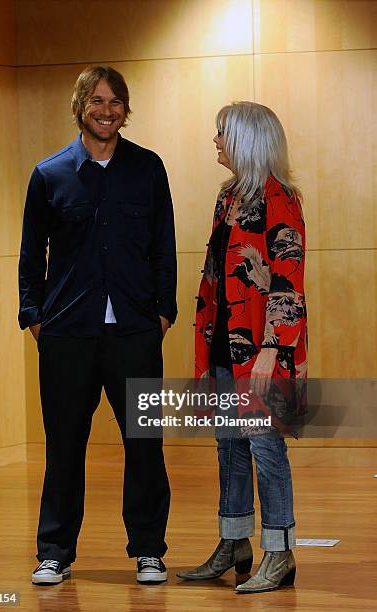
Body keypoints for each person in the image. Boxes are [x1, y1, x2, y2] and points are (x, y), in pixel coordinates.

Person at [18, 66, 177, 586]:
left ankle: (150, 550)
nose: (106, 110)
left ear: (124, 110)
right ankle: (55, 551)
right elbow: (29, 256)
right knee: (64, 443)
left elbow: (164, 248)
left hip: (134, 330)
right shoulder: (49, 174)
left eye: (115, 102)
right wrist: (34, 318)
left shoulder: (149, 169)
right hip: (67, 333)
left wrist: (163, 312)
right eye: (96, 101)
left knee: (144, 441)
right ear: (80, 106)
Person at [177, 101, 307, 594]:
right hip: (222, 346)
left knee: (265, 449)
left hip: (262, 349)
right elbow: (215, 276)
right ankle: (234, 544)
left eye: (221, 134)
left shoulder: (281, 199)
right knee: (229, 447)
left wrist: (273, 350)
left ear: (247, 140)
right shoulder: (227, 198)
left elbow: (288, 282)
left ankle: (279, 553)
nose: (215, 142)